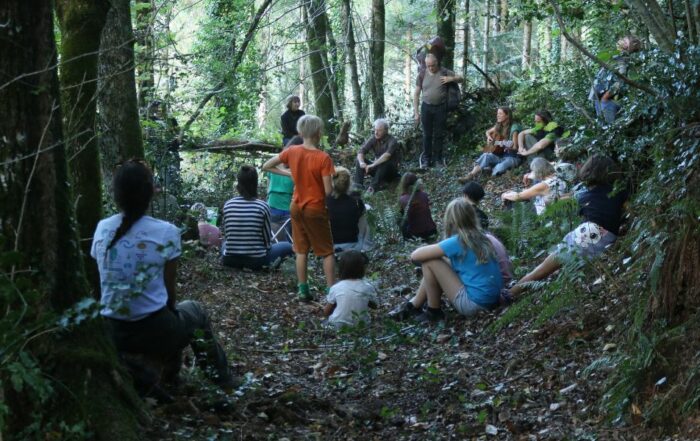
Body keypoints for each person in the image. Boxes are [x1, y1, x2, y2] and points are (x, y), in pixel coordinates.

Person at [91, 160, 236, 390]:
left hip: (111, 330)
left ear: (116, 194)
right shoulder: (166, 232)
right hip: (153, 329)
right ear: (150, 193)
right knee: (194, 311)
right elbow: (169, 295)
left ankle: (164, 373)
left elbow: (101, 283)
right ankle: (223, 380)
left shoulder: (102, 228)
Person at [508, 155, 628, 298]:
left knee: (546, 266)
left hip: (590, 232)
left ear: (588, 171)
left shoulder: (586, 194)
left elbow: (557, 201)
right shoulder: (619, 190)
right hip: (610, 235)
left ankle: (510, 293)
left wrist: (548, 200)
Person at [390, 198, 503, 322]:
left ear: (450, 220)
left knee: (430, 262)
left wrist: (433, 251)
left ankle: (433, 311)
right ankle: (413, 305)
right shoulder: (483, 237)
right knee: (437, 262)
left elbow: (415, 256)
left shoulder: (459, 240)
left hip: (474, 305)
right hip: (492, 300)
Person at [262, 115, 336, 301]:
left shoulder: (292, 151)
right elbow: (328, 191)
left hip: (295, 206)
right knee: (326, 252)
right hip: (315, 207)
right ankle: (331, 292)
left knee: (300, 250)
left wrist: (288, 173)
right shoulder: (323, 158)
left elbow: (267, 166)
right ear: (319, 133)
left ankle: (303, 290)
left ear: (300, 132)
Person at [221, 165, 294, 270]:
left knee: (224, 243)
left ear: (239, 183)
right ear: (256, 183)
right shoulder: (263, 206)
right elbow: (267, 241)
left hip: (230, 259)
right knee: (287, 245)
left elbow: (228, 235)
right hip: (257, 261)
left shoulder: (228, 205)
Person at [413, 53, 464, 167]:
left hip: (441, 107)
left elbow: (461, 79)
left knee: (439, 134)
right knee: (427, 134)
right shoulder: (421, 75)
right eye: (428, 65)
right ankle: (426, 159)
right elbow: (416, 94)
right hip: (426, 107)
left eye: (433, 65)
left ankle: (438, 159)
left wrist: (451, 78)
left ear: (437, 62)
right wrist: (416, 113)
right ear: (425, 64)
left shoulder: (444, 71)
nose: (431, 67)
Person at [458, 107, 522, 182]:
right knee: (486, 155)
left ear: (507, 115)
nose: (497, 115)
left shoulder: (514, 127)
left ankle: (489, 171)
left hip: (512, 157)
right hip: (499, 154)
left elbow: (515, 147)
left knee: (499, 168)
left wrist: (504, 145)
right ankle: (470, 175)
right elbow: (487, 132)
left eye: (500, 114)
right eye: (497, 113)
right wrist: (489, 137)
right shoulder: (499, 125)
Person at [589, 36, 642, 124]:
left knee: (607, 128)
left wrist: (605, 97)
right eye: (623, 39)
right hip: (600, 98)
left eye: (625, 42)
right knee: (602, 126)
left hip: (607, 100)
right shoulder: (616, 57)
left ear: (629, 48)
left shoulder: (623, 61)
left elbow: (620, 81)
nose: (621, 41)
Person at [323, 250, 378, 329]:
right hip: (361, 325)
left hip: (338, 324)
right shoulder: (368, 287)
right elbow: (375, 306)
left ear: (341, 269)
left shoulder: (336, 287)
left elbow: (326, 312)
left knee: (325, 322)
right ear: (362, 269)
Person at [501, 157, 569, 215]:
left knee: (511, 199)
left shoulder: (543, 185)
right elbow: (548, 164)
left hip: (543, 212)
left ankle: (510, 219)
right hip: (553, 202)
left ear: (537, 172)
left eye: (533, 171)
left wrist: (504, 195)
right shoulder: (558, 173)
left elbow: (518, 196)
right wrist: (528, 176)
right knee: (526, 190)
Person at [327, 167, 371, 252]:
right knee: (367, 209)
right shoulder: (356, 201)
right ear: (349, 182)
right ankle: (365, 247)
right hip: (353, 245)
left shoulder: (324, 202)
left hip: (329, 247)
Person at [266, 135, 301, 242]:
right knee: (289, 241)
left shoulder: (273, 164)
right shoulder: (297, 168)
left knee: (273, 238)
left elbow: (268, 188)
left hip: (271, 207)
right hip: (288, 211)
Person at [354, 118, 401, 193]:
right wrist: (362, 163)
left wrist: (372, 165)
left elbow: (387, 156)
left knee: (384, 162)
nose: (376, 132)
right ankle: (358, 186)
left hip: (390, 173)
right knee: (359, 160)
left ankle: (372, 188)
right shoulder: (373, 138)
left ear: (386, 130)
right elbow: (361, 152)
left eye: (379, 130)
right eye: (375, 130)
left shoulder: (392, 141)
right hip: (378, 171)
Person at [398, 172, 437, 241]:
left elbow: (401, 217)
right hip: (432, 230)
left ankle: (406, 240)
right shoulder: (424, 195)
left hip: (416, 234)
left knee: (401, 220)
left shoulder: (402, 199)